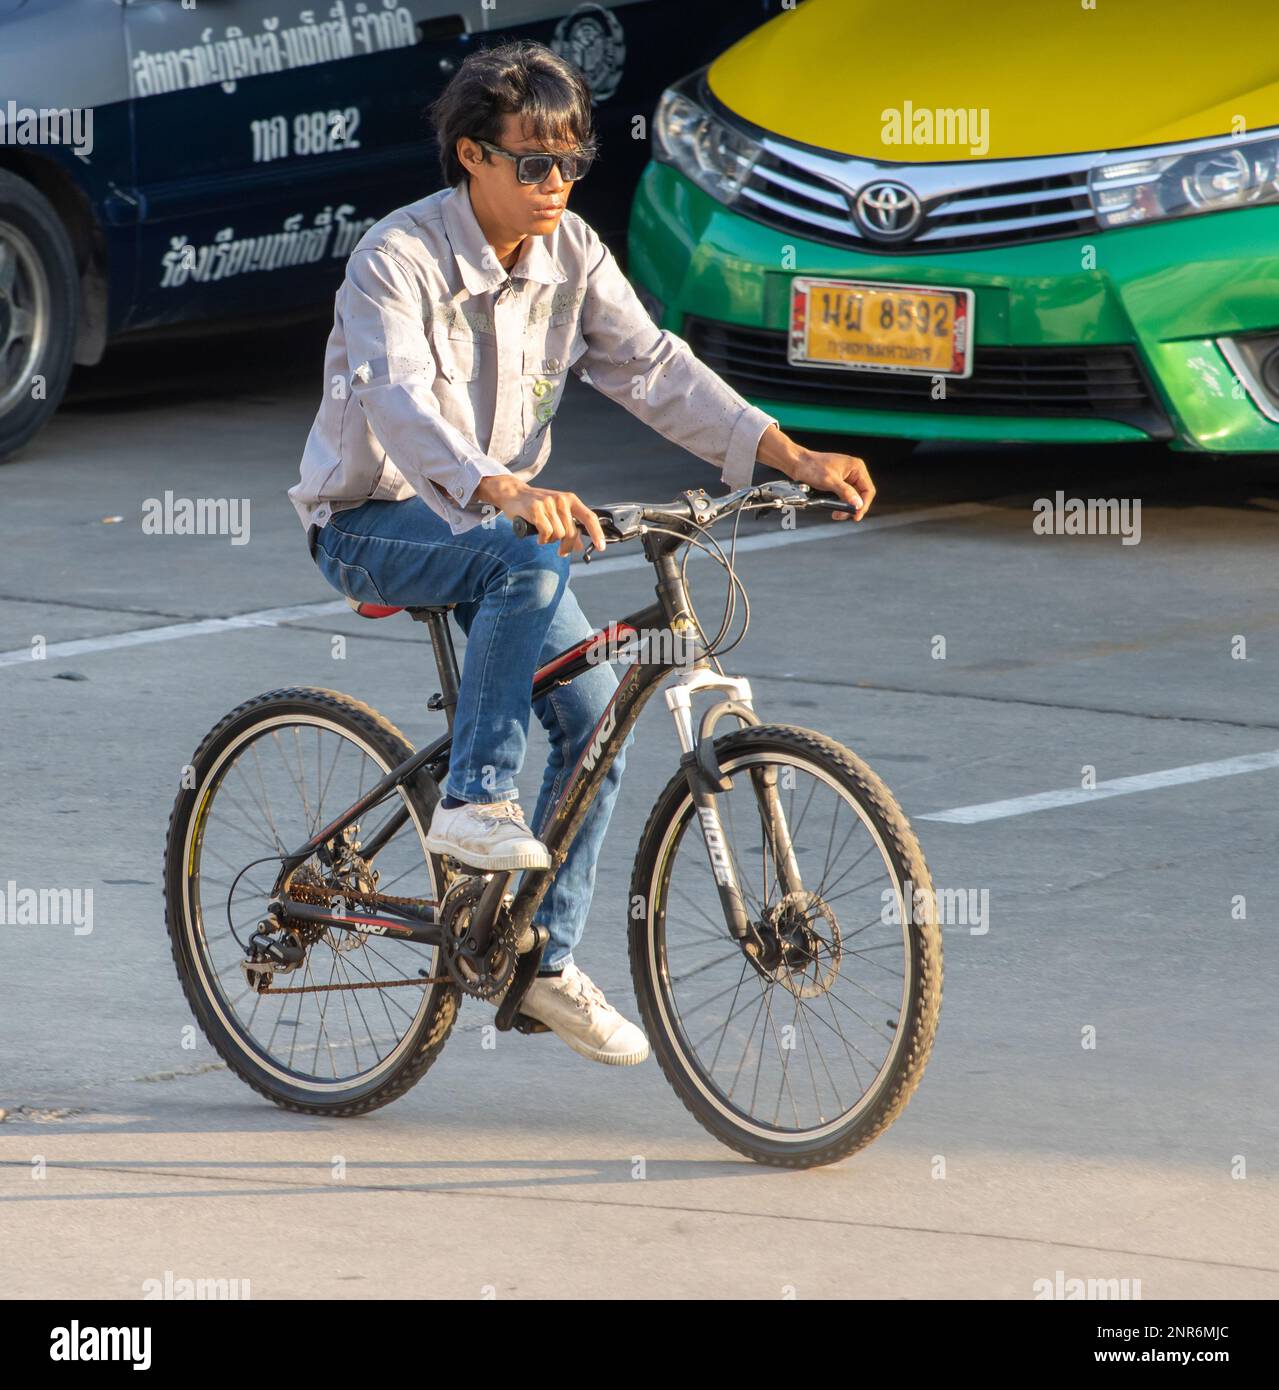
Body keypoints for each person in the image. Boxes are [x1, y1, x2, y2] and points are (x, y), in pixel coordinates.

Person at [289, 40, 875, 1066]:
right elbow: (399, 399)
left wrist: (783, 451)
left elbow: (653, 367)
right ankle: (473, 801)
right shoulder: (398, 257)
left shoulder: (570, 253)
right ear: (472, 156)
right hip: (373, 516)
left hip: (490, 520)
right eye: (532, 163)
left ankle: (538, 961)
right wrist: (502, 488)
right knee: (522, 560)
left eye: (571, 161)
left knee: (596, 712)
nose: (555, 183)